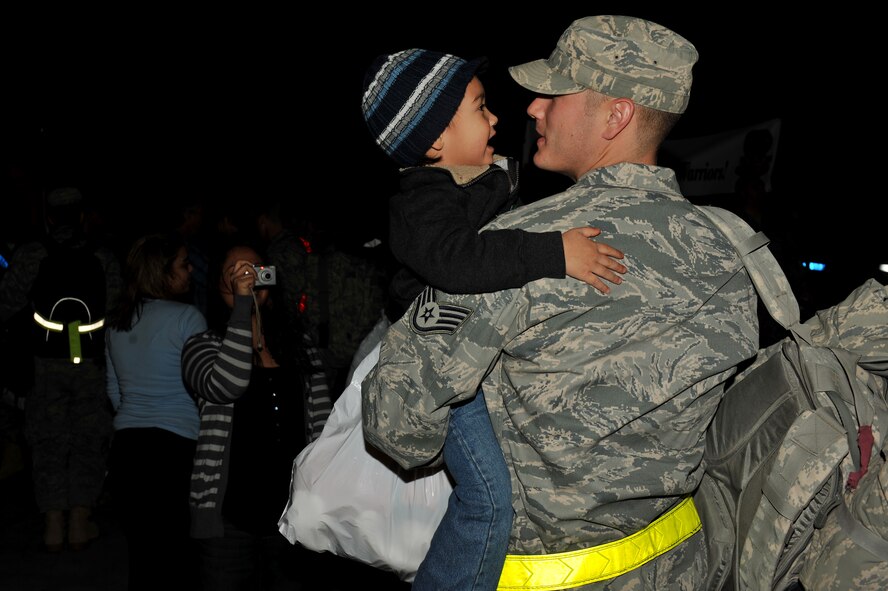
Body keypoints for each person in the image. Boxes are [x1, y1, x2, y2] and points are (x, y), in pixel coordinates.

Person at [362, 16, 760, 591]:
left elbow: (397, 429)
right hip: (684, 569)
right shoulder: (732, 248)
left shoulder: (513, 249)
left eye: (556, 93)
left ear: (616, 115)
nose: (532, 108)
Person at [359, 48, 627, 590]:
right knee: (488, 500)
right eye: (480, 108)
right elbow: (459, 264)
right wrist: (555, 252)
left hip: (477, 363)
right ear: (436, 141)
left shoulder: (476, 183)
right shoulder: (421, 203)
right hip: (445, 374)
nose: (496, 118)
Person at [182, 243, 333, 590]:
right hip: (229, 518)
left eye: (255, 270)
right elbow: (227, 384)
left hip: (293, 514)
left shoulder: (299, 345)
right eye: (236, 272)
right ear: (219, 284)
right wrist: (242, 309)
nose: (247, 278)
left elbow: (323, 424)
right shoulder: (201, 346)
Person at [0, 186, 122, 552]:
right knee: (88, 438)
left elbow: (5, 305)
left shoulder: (32, 254)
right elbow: (118, 311)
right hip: (91, 363)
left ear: (50, 216)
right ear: (82, 215)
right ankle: (81, 521)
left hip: (44, 363)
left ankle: (53, 524)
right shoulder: (102, 256)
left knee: (47, 439)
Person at [104, 232, 207, 591]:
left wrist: (138, 416)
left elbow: (115, 390)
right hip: (175, 450)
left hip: (128, 450)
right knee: (181, 557)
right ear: (162, 272)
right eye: (183, 263)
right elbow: (204, 389)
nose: (191, 269)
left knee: (143, 556)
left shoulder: (118, 320)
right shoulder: (188, 317)